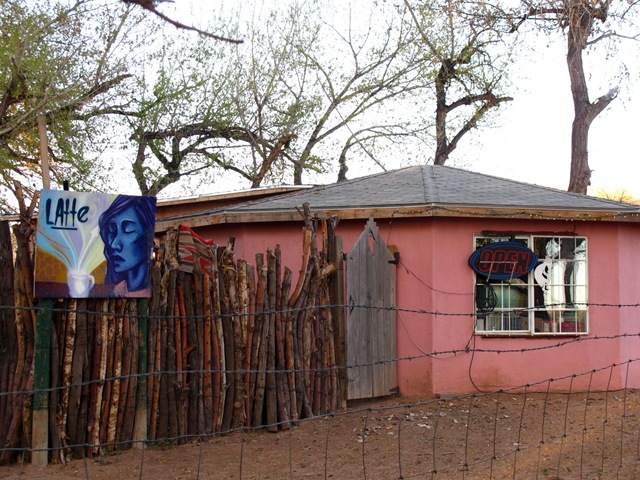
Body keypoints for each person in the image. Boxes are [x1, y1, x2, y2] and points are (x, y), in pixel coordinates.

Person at [98, 195, 155, 297]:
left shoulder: (156, 292)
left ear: (148, 233)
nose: (114, 244)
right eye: (111, 230)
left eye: (128, 229)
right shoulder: (116, 292)